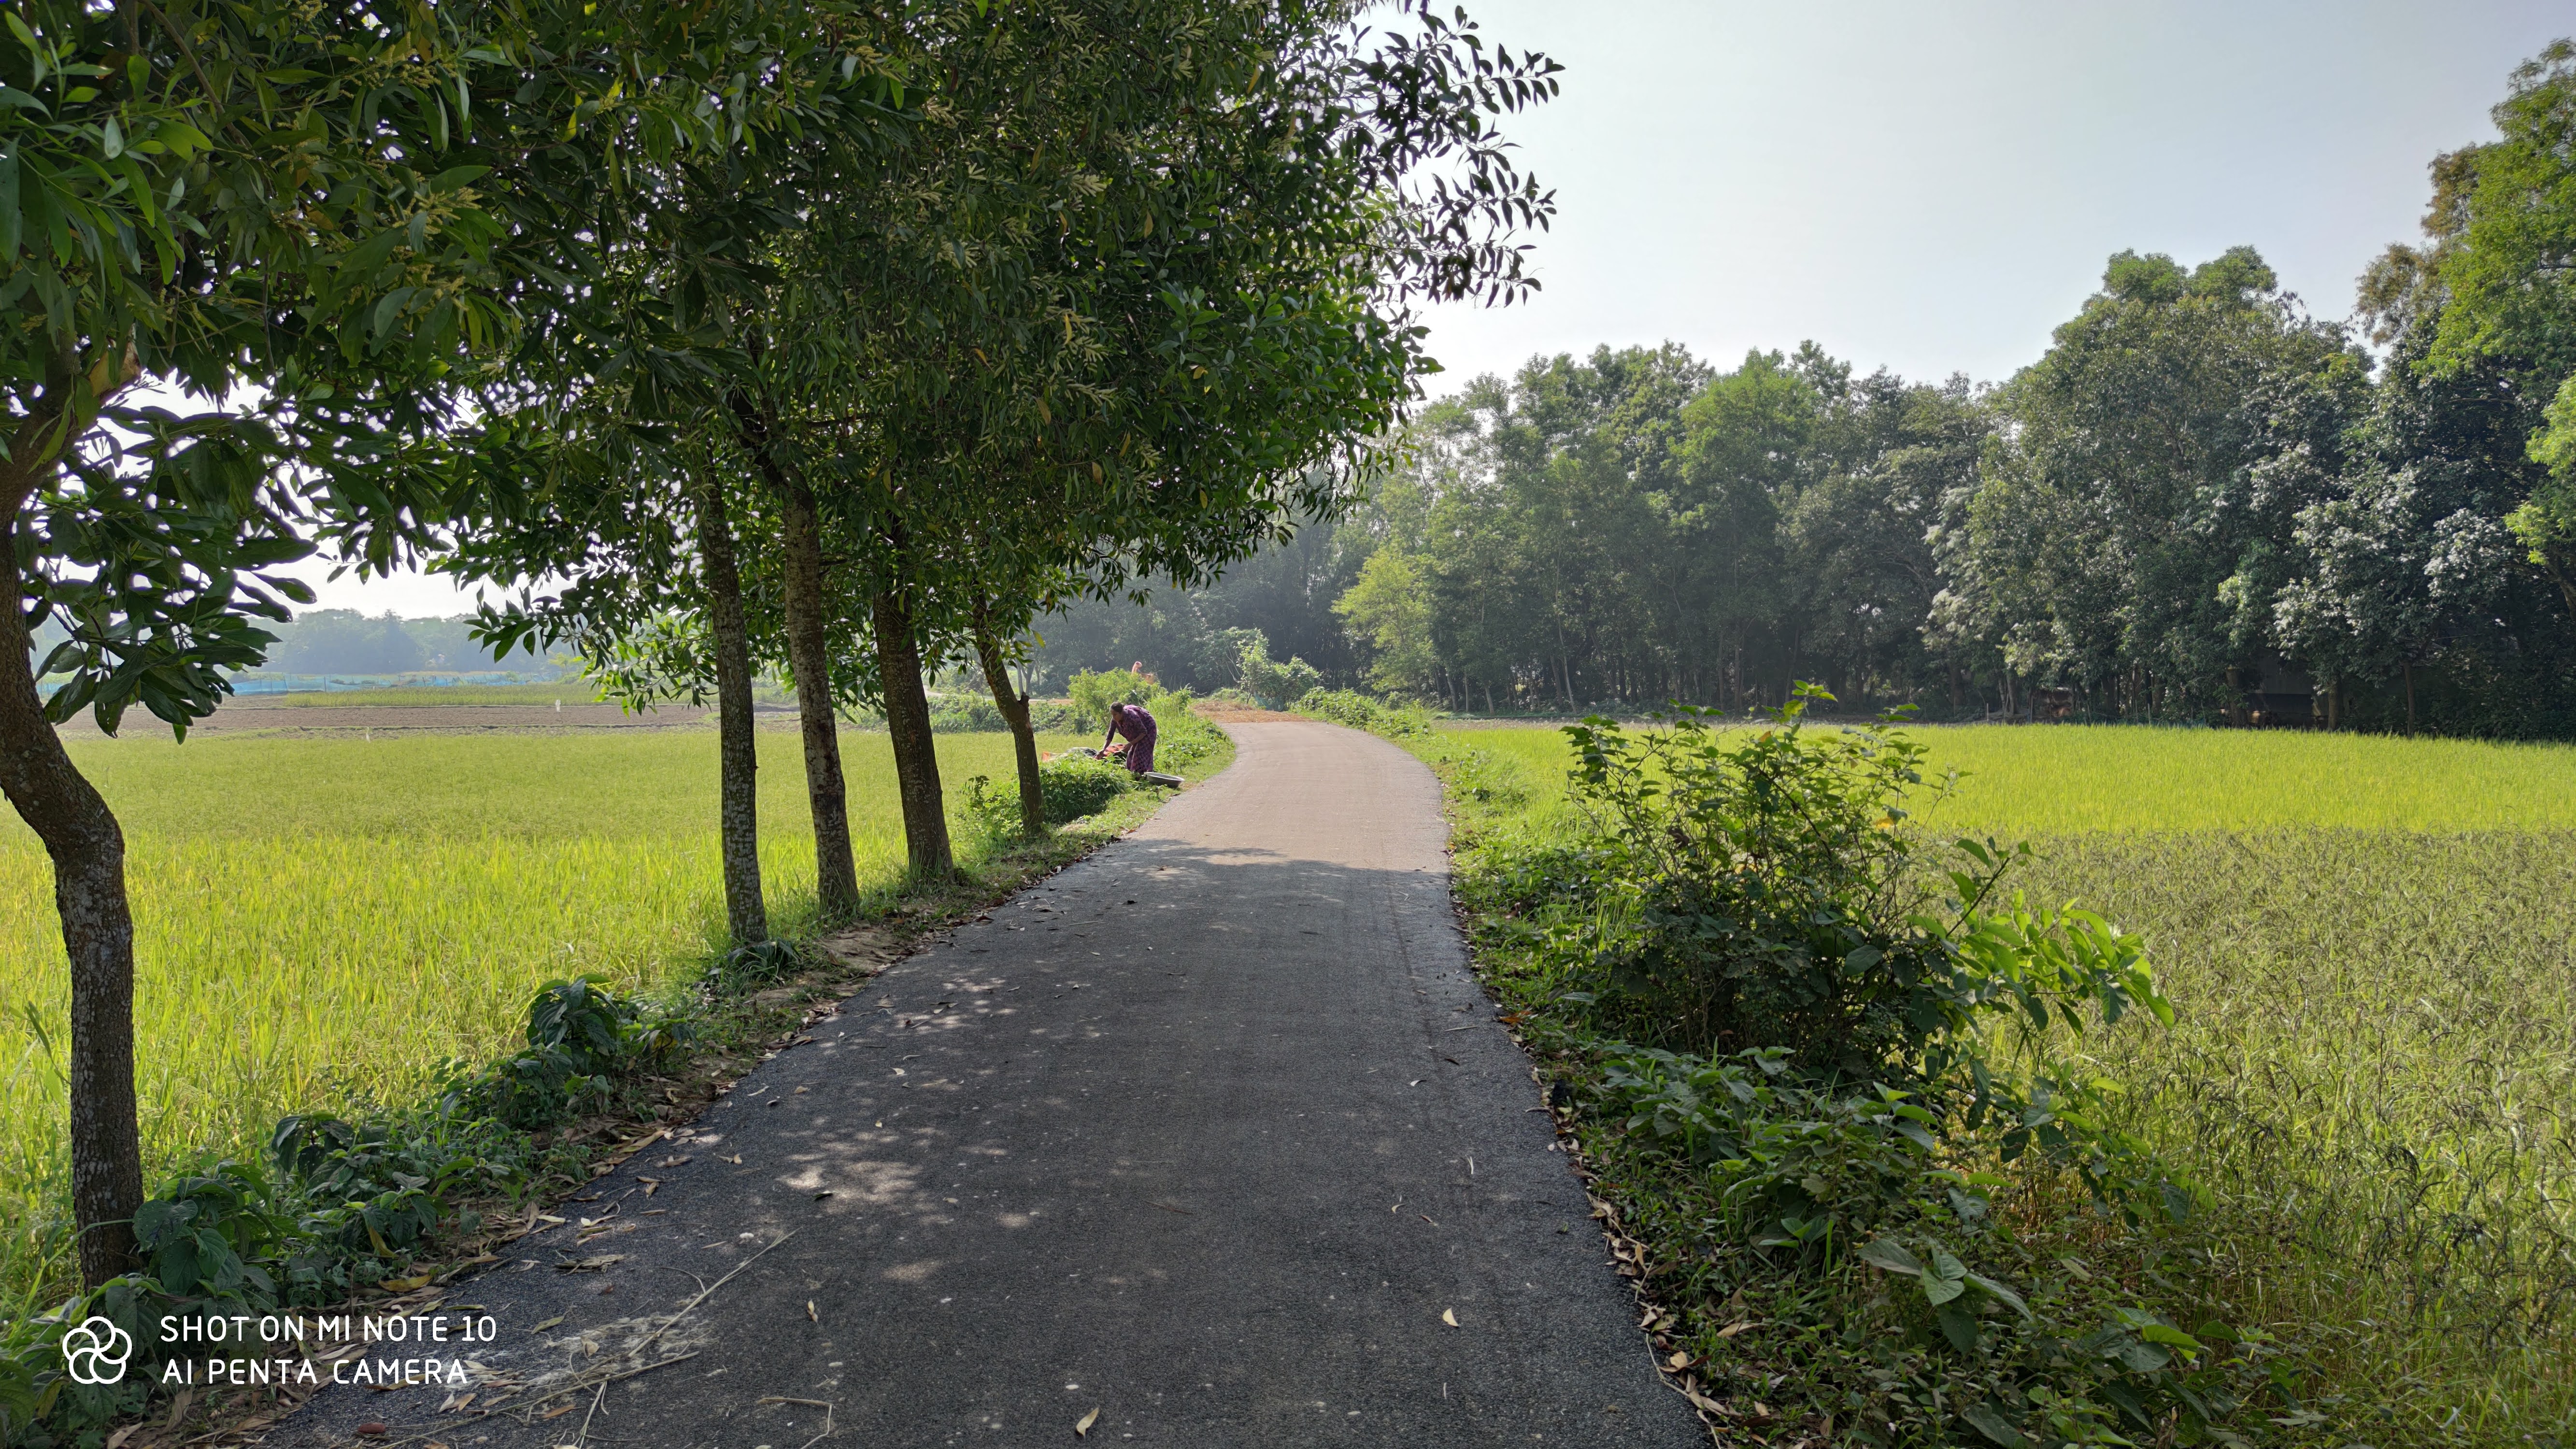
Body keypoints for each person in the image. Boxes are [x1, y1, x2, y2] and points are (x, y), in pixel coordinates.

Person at [1102, 700, 1157, 775]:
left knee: (1140, 754)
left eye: (1115, 715)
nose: (1113, 717)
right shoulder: (1115, 720)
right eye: (1112, 715)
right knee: (1131, 755)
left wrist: (1131, 744)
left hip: (1148, 729)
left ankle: (1142, 775)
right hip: (1139, 733)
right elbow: (1110, 735)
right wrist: (1104, 749)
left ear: (1121, 713)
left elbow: (1144, 732)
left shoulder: (1132, 716)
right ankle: (1133, 774)